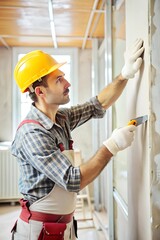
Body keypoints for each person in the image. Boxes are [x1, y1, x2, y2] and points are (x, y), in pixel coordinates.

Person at [11, 38, 144, 240]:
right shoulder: (32, 133)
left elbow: (96, 105)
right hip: (38, 231)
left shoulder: (61, 117)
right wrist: (112, 145)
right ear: (40, 92)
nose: (68, 83)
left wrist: (125, 74)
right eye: (59, 80)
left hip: (63, 227)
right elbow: (74, 180)